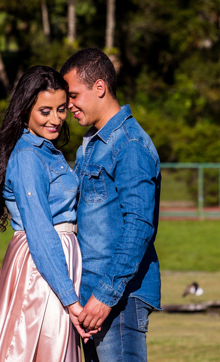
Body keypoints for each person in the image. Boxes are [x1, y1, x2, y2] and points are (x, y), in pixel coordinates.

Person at [0, 66, 91, 362]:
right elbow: (41, 232)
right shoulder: (29, 156)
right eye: (45, 111)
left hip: (52, 261)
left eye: (61, 109)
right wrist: (71, 301)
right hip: (40, 267)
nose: (55, 119)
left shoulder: (46, 150)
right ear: (25, 110)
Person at [61, 48, 161, 362]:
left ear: (100, 87)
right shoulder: (90, 145)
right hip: (91, 297)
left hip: (120, 299)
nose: (69, 105)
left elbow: (139, 227)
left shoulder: (129, 144)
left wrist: (105, 296)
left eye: (74, 95)